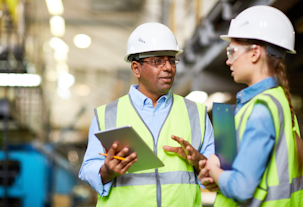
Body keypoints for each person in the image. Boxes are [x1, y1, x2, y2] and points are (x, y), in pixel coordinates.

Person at [79, 22, 215, 207]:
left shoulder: (196, 113)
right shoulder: (107, 115)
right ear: (136, 68)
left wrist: (200, 161)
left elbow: (216, 174)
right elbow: (88, 168)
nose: (168, 67)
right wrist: (107, 171)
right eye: (158, 61)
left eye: (172, 59)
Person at [198, 5, 303, 206]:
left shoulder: (261, 109)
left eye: (232, 51)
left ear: (255, 53)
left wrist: (213, 168)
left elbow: (241, 188)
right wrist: (218, 176)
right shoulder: (278, 102)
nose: (228, 61)